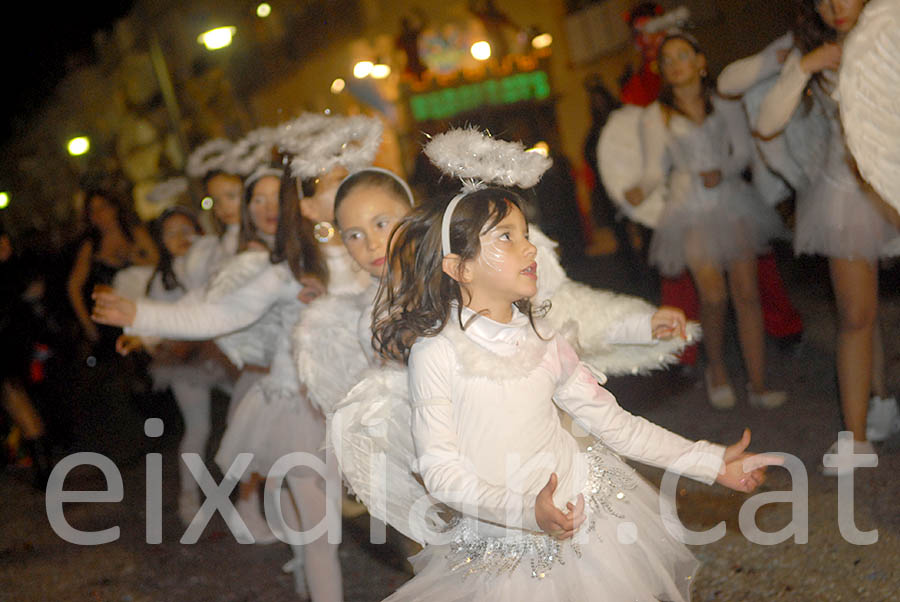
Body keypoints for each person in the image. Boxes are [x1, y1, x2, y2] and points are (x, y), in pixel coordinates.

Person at [369, 183, 774, 601]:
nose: (530, 250)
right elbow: (442, 474)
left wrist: (710, 462)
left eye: (526, 235)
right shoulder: (436, 353)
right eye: (506, 237)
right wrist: (527, 511)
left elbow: (618, 427)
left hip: (583, 524)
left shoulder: (545, 340)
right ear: (460, 268)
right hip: (503, 546)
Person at [754, 0, 900, 470]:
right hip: (847, 193)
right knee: (857, 312)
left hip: (893, 178)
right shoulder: (816, 49)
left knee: (867, 310)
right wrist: (803, 68)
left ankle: (881, 403)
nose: (835, 6)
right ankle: (859, 436)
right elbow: (766, 122)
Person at [625, 33, 787, 411]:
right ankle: (715, 366)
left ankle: (759, 385)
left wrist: (723, 170)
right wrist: (636, 192)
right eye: (667, 59)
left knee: (747, 294)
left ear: (700, 59)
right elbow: (653, 172)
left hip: (731, 201)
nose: (676, 63)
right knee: (713, 293)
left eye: (683, 54)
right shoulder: (656, 115)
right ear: (663, 71)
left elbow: (743, 152)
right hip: (689, 207)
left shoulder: (723, 102)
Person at [114, 207, 234, 525]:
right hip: (184, 362)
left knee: (249, 409)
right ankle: (189, 495)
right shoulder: (162, 281)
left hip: (220, 355)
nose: (180, 237)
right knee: (199, 428)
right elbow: (159, 324)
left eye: (186, 229)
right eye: (170, 232)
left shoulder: (216, 265)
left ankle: (254, 484)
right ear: (161, 242)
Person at [66, 188, 158, 357]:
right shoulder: (90, 247)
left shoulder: (134, 233)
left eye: (103, 208)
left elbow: (159, 264)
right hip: (114, 324)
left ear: (114, 208)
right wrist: (88, 325)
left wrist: (136, 259)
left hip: (146, 313)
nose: (99, 215)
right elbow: (73, 286)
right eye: (93, 211)